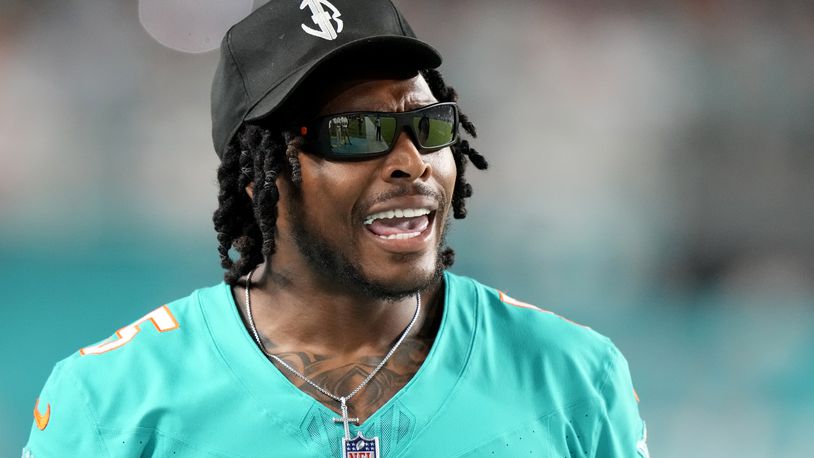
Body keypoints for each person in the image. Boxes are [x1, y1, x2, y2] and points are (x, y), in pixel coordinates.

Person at [24, 0, 649, 457]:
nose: (410, 162)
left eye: (429, 125)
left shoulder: (573, 376)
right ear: (258, 175)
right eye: (356, 133)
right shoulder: (111, 403)